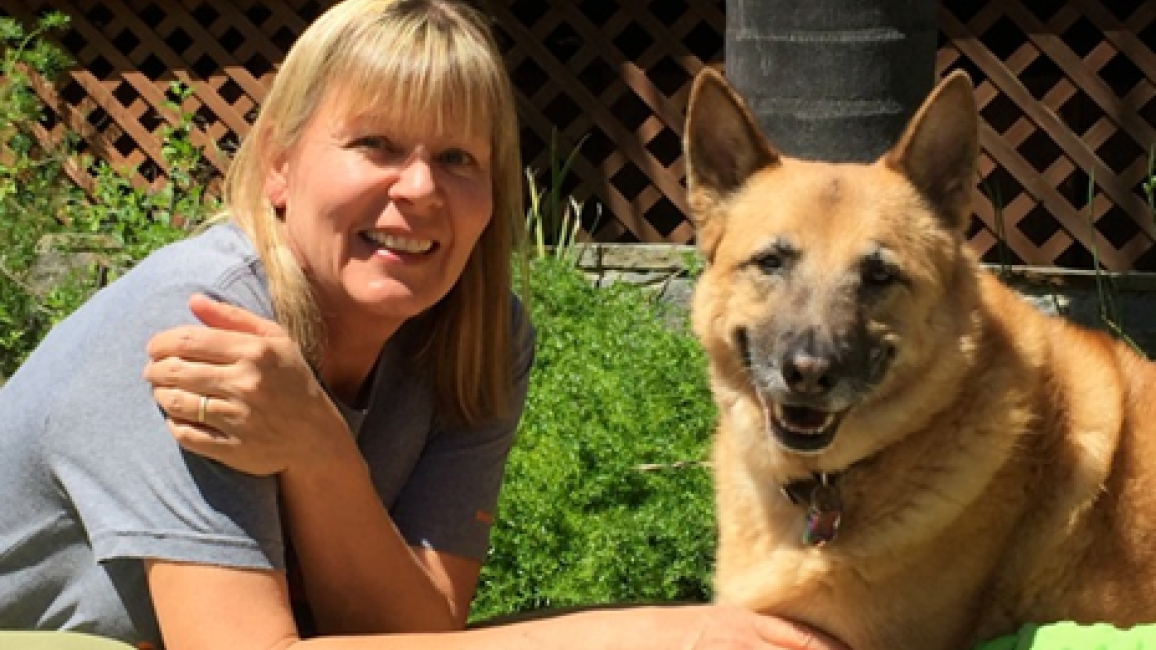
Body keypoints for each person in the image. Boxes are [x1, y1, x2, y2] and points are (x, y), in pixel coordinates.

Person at [0, 1, 848, 649]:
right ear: (280, 168)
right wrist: (658, 633)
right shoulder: (195, 325)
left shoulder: (479, 337)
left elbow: (416, 629)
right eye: (374, 144)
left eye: (458, 159)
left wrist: (315, 447)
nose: (419, 191)